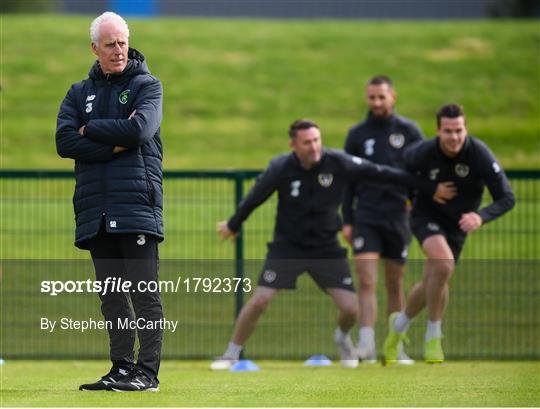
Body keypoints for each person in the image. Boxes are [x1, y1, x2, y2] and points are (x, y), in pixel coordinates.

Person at [210, 119, 455, 370]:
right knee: (260, 300)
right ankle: (230, 354)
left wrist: (428, 187)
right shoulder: (280, 167)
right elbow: (254, 198)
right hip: (287, 248)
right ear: (294, 145)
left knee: (351, 309)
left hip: (326, 249)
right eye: (307, 142)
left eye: (317, 140)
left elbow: (382, 172)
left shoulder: (338, 161)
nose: (314, 147)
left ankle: (341, 337)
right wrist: (233, 224)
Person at [56, 12, 164, 392]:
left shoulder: (147, 85)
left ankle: (147, 373)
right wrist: (114, 143)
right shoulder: (76, 92)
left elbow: (139, 130)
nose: (118, 50)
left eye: (122, 42)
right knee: (112, 297)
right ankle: (121, 368)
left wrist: (92, 130)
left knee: (143, 293)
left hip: (136, 206)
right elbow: (64, 142)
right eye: (109, 44)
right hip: (95, 211)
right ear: (94, 48)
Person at [382, 103, 515, 364]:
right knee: (443, 264)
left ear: (465, 129)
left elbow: (507, 198)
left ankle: (398, 327)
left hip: (458, 225)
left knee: (435, 276)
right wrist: (430, 188)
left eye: (459, 130)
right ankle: (434, 336)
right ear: (438, 131)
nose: (454, 137)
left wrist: (481, 216)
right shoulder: (422, 152)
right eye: (448, 131)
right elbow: (398, 175)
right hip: (425, 216)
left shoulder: (479, 154)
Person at [342, 75, 424, 363]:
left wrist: (415, 205)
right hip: (366, 214)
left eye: (381, 97)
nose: (376, 102)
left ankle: (395, 345)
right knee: (365, 279)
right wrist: (347, 220)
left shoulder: (410, 131)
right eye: (371, 97)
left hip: (398, 216)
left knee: (395, 283)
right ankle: (366, 345)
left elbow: (420, 173)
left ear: (393, 97)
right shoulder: (357, 134)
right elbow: (347, 180)